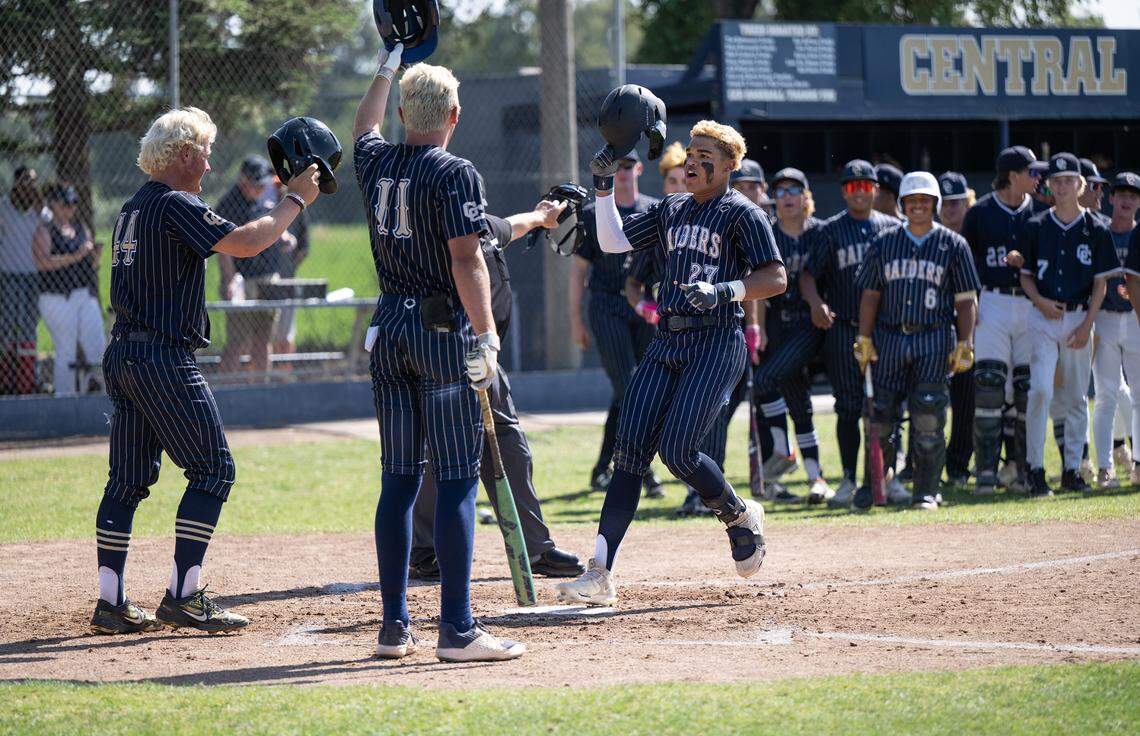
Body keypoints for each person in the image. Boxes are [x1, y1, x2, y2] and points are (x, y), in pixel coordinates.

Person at [91, 107, 321, 635]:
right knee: (214, 471)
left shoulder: (132, 207)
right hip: (162, 357)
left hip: (124, 352)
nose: (209, 161)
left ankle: (110, 602)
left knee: (125, 482)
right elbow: (246, 242)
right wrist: (295, 200)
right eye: (205, 150)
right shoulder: (174, 203)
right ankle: (185, 595)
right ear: (185, 154)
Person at [555, 120, 786, 606]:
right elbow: (614, 241)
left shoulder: (743, 214)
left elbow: (776, 277)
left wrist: (726, 290)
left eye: (706, 155)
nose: (694, 162)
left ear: (728, 166)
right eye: (691, 153)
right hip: (668, 339)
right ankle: (599, 572)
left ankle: (739, 514)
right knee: (630, 452)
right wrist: (601, 188)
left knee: (679, 451)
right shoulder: (673, 207)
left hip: (718, 339)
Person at [353, 44, 524, 662]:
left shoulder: (377, 163)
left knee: (398, 479)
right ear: (454, 115)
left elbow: (362, 127)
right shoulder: (454, 172)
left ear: (404, 113)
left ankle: (394, 626)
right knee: (455, 478)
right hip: (440, 332)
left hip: (389, 326)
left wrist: (387, 63)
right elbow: (466, 257)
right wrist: (487, 336)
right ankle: (457, 629)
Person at [408, 201, 585, 580]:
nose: (478, 213)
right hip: (453, 352)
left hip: (486, 357)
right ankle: (425, 550)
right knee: (442, 450)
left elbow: (513, 224)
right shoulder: (443, 239)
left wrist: (542, 217)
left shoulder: (484, 226)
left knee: (509, 448)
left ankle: (533, 547)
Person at [854, 171, 980, 509]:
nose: (919, 206)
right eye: (912, 201)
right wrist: (863, 338)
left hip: (934, 337)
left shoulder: (954, 245)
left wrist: (965, 342)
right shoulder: (884, 242)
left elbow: (966, 300)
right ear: (902, 205)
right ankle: (876, 485)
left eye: (925, 200)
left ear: (935, 204)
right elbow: (869, 295)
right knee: (879, 418)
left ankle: (925, 490)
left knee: (928, 417)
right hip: (890, 338)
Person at [1018, 152, 1120, 496]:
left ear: (1080, 185)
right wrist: (1040, 302)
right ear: (1049, 185)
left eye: (1068, 181)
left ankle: (1072, 469)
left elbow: (1100, 284)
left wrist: (1086, 325)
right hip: (1044, 315)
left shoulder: (1097, 228)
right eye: (1056, 181)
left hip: (1079, 316)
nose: (1062, 186)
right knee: (1041, 391)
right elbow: (1026, 277)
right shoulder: (1036, 225)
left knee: (1077, 397)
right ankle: (1034, 469)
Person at [801, 160, 901, 507]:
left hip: (886, 331)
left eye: (865, 186)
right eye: (852, 186)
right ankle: (848, 478)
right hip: (844, 328)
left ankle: (888, 475)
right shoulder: (830, 231)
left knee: (887, 404)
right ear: (844, 191)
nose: (859, 192)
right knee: (848, 406)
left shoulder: (893, 228)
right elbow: (808, 275)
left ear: (876, 190)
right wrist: (816, 304)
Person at [570, 149, 665, 499]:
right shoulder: (595, 213)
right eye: (616, 167)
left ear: (639, 168)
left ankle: (601, 469)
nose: (623, 172)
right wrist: (575, 320)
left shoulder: (654, 210)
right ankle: (645, 469)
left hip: (644, 306)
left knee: (634, 389)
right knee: (629, 387)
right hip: (607, 305)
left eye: (628, 166)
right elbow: (578, 273)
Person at [961, 146, 1039, 495]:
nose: (1036, 178)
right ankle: (987, 474)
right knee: (990, 387)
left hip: (1029, 303)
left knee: (1025, 389)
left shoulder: (1037, 212)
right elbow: (965, 263)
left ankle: (1022, 472)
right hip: (991, 300)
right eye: (1031, 172)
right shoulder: (979, 213)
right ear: (1012, 174)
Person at [751, 167, 832, 503]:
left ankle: (784, 452)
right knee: (799, 403)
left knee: (766, 381)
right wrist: (757, 328)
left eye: (793, 190)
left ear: (806, 196)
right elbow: (756, 284)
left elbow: (819, 279)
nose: (786, 197)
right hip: (777, 324)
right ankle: (816, 478)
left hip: (809, 324)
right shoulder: (767, 233)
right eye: (780, 191)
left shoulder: (820, 233)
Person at [217, 155, 288, 377]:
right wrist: (230, 280)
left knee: (263, 339)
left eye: (261, 184)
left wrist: (284, 237)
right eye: (255, 183)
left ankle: (261, 388)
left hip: (268, 278)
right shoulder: (228, 205)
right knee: (237, 342)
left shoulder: (262, 199)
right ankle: (225, 391)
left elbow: (266, 227)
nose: (259, 188)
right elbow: (222, 247)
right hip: (242, 281)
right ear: (243, 180)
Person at [32, 183, 106, 395]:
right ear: (53, 204)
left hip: (84, 294)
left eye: (74, 204)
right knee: (66, 351)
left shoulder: (80, 228)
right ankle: (65, 399)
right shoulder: (45, 231)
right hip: (56, 297)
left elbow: (90, 263)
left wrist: (95, 255)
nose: (71, 208)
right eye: (66, 203)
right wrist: (76, 256)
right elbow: (42, 262)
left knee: (97, 346)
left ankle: (96, 391)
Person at [1091, 172, 1140, 487]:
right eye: (1120, 193)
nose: (1126, 199)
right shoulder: (1100, 232)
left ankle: (1138, 464)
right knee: (1106, 395)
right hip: (1105, 317)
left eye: (1133, 195)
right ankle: (1105, 467)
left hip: (1136, 317)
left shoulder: (1139, 235)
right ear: (1111, 198)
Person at [935, 171, 975, 486]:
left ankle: (959, 466)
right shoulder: (928, 236)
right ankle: (915, 464)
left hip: (969, 326)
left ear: (967, 202)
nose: (950, 209)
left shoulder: (974, 236)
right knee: (925, 400)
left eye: (957, 202)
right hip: (932, 328)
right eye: (945, 202)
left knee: (966, 398)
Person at [0, 166, 43, 394]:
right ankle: (6, 381)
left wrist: (39, 204)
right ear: (16, 183)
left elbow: (49, 222)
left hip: (32, 276)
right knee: (6, 327)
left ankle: (28, 381)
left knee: (28, 328)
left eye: (33, 181)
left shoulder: (39, 209)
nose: (30, 185)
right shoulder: (3, 206)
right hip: (8, 275)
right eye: (26, 180)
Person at [271, 175, 311, 356]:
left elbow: (304, 248)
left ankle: (284, 373)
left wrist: (289, 266)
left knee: (286, 333)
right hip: (267, 279)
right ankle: (267, 375)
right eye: (276, 185)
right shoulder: (266, 208)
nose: (279, 189)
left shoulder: (297, 208)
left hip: (287, 279)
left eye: (282, 185)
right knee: (266, 333)